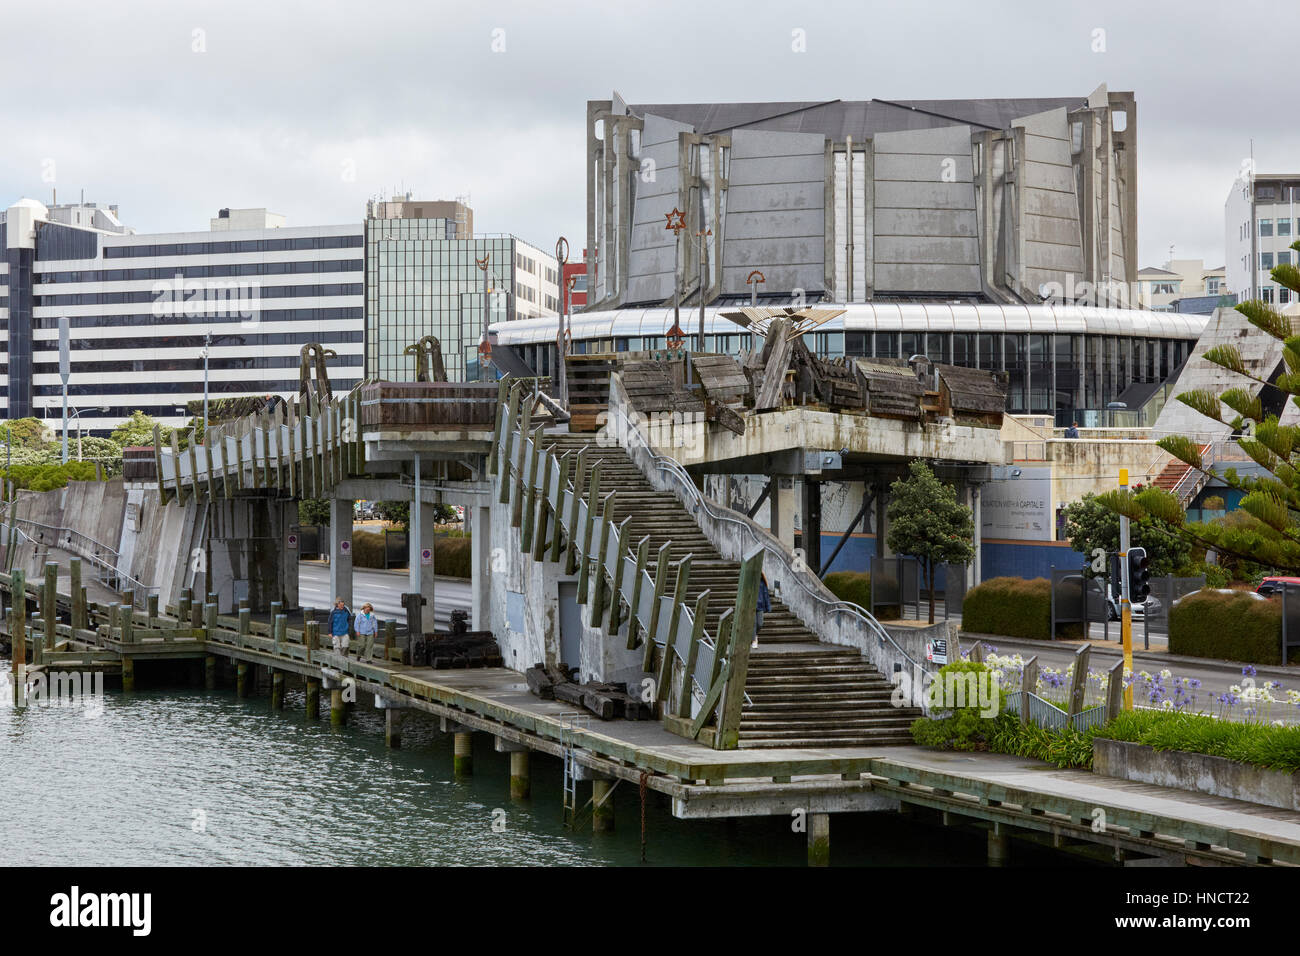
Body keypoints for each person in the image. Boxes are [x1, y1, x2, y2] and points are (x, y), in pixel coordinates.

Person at [754, 573, 771, 649]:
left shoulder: (762, 583)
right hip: (751, 607)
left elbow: (766, 595)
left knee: (760, 624)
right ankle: (754, 641)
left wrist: (768, 607)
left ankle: (754, 635)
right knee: (753, 624)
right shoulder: (750, 582)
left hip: (760, 606)